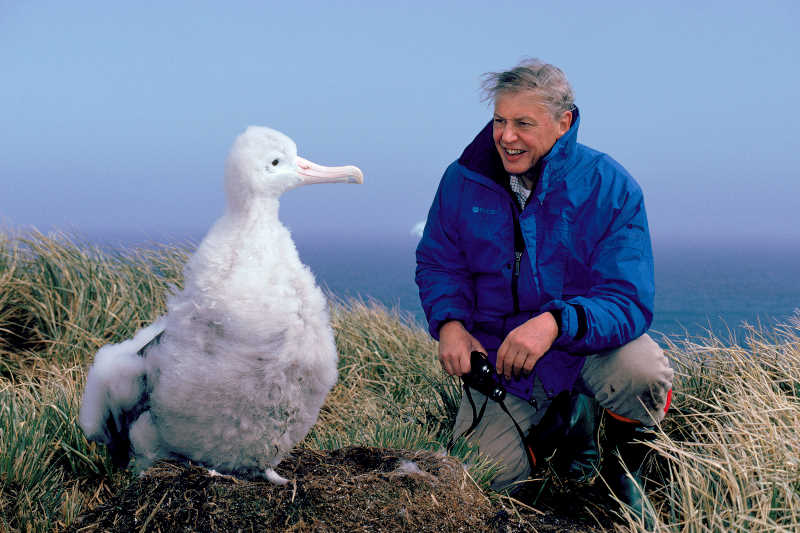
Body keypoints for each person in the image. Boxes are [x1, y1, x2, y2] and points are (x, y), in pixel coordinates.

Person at [415, 58, 674, 525]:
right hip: (503, 359)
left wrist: (556, 322)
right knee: (478, 481)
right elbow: (439, 261)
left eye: (523, 123)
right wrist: (450, 324)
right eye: (499, 120)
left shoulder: (609, 186)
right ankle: (560, 426)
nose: (506, 136)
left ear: (563, 123)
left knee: (644, 373)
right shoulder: (462, 181)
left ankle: (623, 474)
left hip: (585, 347)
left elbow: (629, 299)